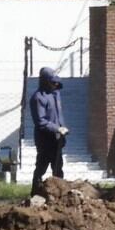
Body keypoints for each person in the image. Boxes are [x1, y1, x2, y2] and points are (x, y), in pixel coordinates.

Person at [29, 66, 68, 195]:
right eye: (52, 82)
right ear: (45, 81)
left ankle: (59, 196)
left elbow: (59, 115)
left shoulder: (55, 94)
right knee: (41, 167)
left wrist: (62, 131)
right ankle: (35, 194)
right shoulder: (38, 98)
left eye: (56, 82)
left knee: (58, 169)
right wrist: (57, 128)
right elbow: (40, 122)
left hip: (56, 138)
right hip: (44, 140)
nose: (55, 84)